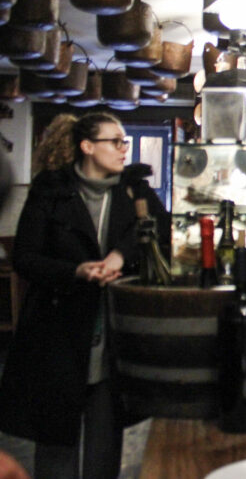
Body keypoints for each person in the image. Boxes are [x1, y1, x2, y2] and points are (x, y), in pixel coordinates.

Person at [0, 112, 169, 479]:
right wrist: (75, 271)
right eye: (116, 141)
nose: (125, 149)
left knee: (105, 442)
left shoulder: (134, 189)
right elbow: (26, 258)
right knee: (56, 443)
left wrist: (121, 255)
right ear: (87, 146)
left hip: (113, 333)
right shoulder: (51, 190)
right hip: (58, 333)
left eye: (125, 141)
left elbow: (159, 231)